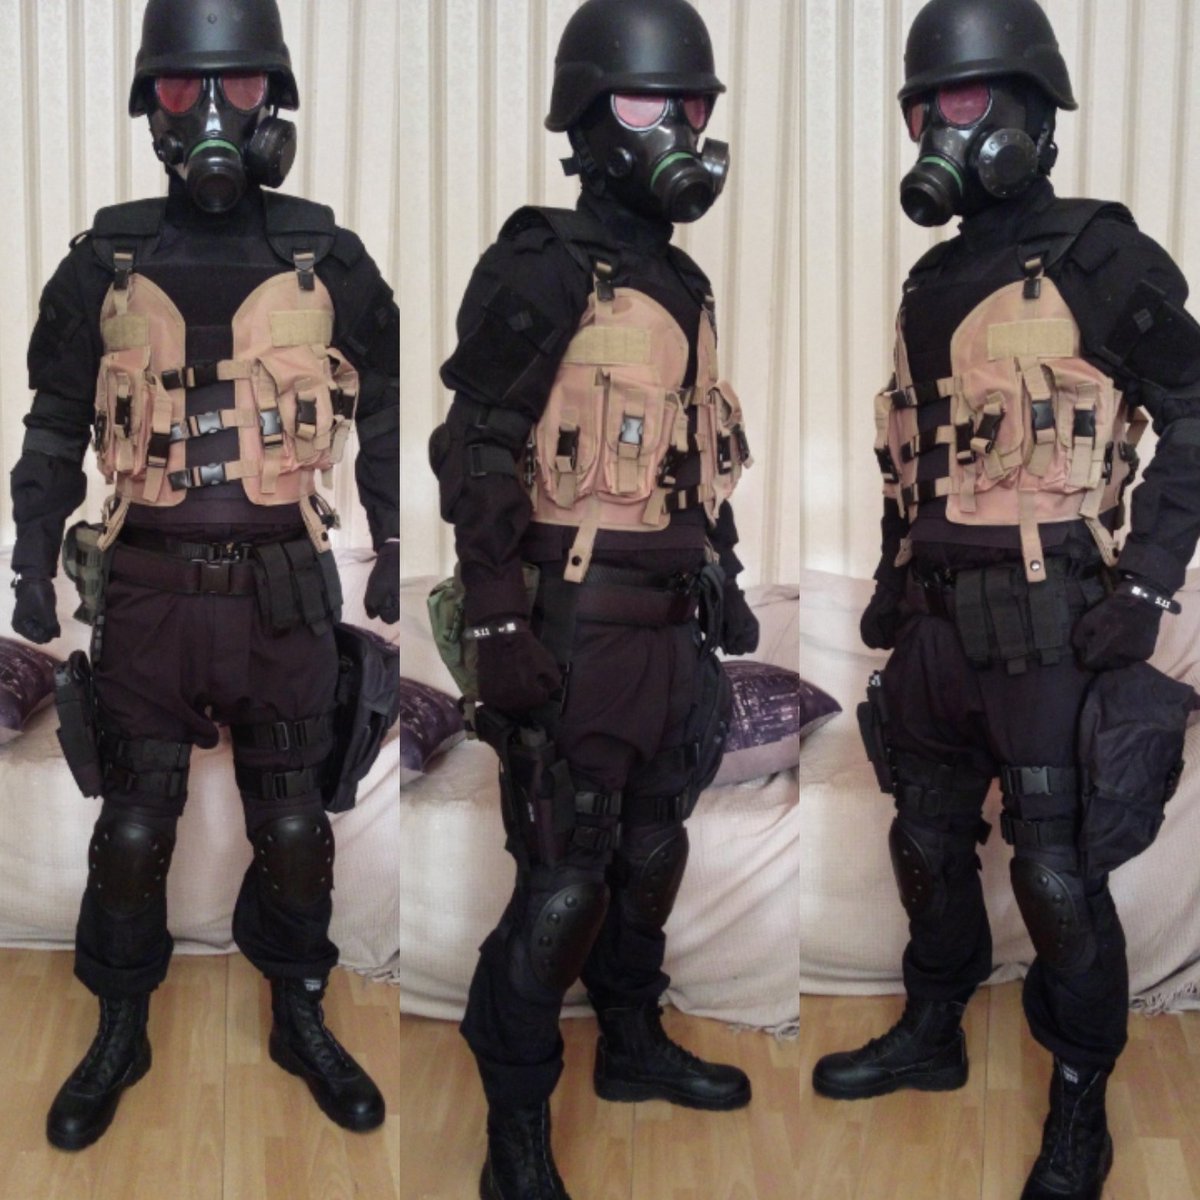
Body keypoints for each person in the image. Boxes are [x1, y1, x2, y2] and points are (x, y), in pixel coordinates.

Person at [811, 2, 1200, 1197]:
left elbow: (1195, 409)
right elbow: (920, 452)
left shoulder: (1102, 255)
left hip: (1051, 624)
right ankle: (934, 1032)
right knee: (926, 843)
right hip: (936, 623)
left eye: (965, 100)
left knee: (1055, 876)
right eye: (925, 108)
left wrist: (1148, 582)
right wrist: (893, 581)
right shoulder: (934, 280)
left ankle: (1079, 1104)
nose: (941, 126)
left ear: (1029, 109)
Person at [9, 0, 400, 1151]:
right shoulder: (103, 264)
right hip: (147, 591)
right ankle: (120, 1027)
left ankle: (298, 1012)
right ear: (153, 109)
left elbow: (384, 415)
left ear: (276, 102)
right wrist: (30, 565)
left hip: (286, 591)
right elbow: (52, 426)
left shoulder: (331, 260)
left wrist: (394, 548)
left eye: (241, 87)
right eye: (187, 90)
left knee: (296, 828)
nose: (215, 112)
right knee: (134, 833)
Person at [429, 1, 759, 1195]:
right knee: (564, 885)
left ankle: (629, 1044)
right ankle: (514, 1129)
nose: (680, 128)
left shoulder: (679, 278)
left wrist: (723, 570)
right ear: (587, 119)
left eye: (694, 105)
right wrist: (497, 623)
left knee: (651, 855)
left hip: (671, 632)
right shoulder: (541, 261)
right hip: (576, 631)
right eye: (648, 102)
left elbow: (686, 452)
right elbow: (475, 447)